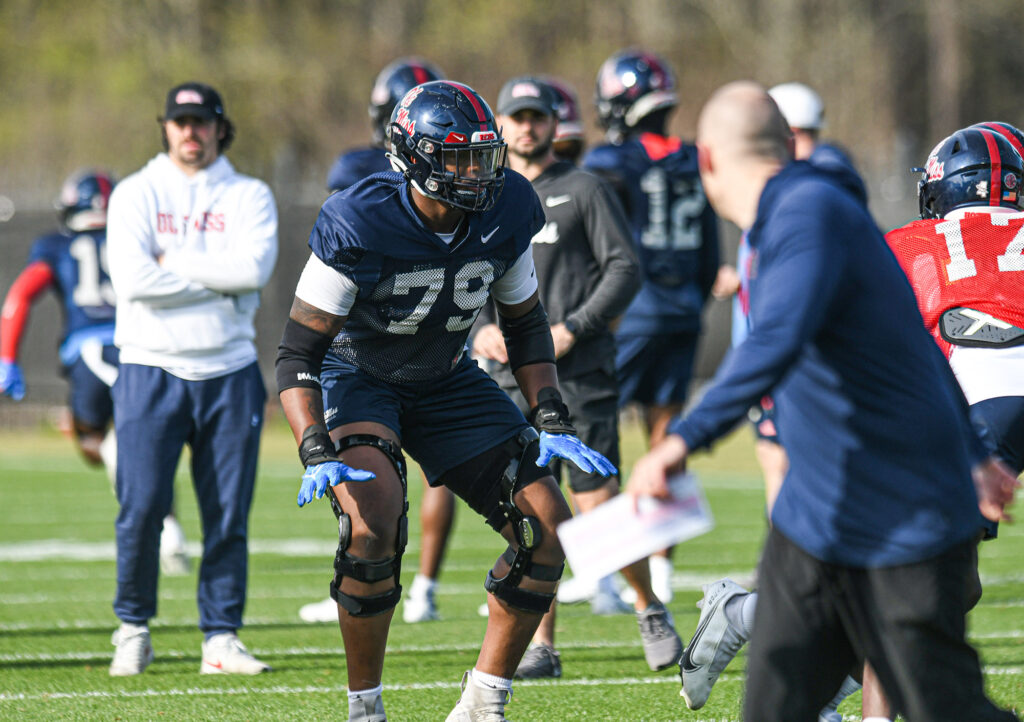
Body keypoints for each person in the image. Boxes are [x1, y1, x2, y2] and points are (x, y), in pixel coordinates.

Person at [626, 81, 1020, 722]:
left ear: (706, 160)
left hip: (899, 504)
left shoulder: (806, 211)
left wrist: (679, 440)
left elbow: (779, 339)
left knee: (944, 706)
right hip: (816, 516)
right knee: (775, 708)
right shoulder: (795, 215)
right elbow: (919, 351)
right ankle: (736, 615)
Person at [274, 79, 615, 722]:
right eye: (457, 156)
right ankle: (365, 707)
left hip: (449, 379)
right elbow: (298, 355)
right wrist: (314, 443)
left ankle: (484, 700)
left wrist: (548, 413)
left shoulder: (508, 205)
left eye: (483, 155)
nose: (476, 172)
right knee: (372, 525)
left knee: (547, 529)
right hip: (361, 376)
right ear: (414, 156)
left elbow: (525, 322)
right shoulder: (360, 219)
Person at [469, 75, 679, 679]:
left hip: (580, 375)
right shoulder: (486, 194)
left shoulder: (584, 188)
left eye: (537, 116)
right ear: (500, 126)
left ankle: (648, 605)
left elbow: (624, 269)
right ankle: (542, 647)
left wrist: (574, 328)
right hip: (510, 380)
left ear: (552, 125)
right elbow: (468, 270)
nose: (528, 127)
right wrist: (477, 328)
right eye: (517, 116)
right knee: (532, 511)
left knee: (596, 504)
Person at [105, 81, 279, 677]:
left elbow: (254, 267)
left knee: (226, 514)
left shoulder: (250, 194)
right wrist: (218, 279)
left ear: (219, 128)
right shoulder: (134, 193)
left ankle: (221, 638)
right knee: (142, 505)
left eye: (201, 121)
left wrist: (171, 265)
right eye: (179, 122)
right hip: (148, 366)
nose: (189, 132)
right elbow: (131, 281)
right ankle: (132, 626)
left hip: (228, 371)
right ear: (166, 127)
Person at [301, 56, 451, 626]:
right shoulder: (360, 178)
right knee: (369, 472)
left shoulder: (471, 182)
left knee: (444, 461)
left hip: (435, 335)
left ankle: (425, 585)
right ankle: (374, 568)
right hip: (365, 340)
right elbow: (347, 240)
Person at [0, 169, 190, 577]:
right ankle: (167, 524)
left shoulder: (56, 245)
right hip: (144, 347)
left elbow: (21, 294)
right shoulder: (139, 238)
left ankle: (156, 524)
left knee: (96, 439)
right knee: (142, 444)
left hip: (91, 352)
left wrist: (6, 357)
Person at [583, 49, 721, 603]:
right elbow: (711, 254)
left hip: (632, 313)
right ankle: (658, 569)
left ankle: (610, 574)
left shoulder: (612, 162)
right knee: (667, 438)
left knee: (593, 429)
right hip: (684, 311)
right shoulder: (695, 159)